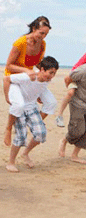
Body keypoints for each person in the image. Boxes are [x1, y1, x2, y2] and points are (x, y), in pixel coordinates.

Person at [3, 16, 56, 146]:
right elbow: (8, 65)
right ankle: (9, 128)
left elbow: (38, 64)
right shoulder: (20, 43)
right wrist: (26, 71)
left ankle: (34, 121)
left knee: (51, 102)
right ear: (34, 28)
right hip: (14, 78)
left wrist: (40, 87)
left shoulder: (42, 44)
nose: (43, 36)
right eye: (41, 33)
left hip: (29, 77)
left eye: (46, 34)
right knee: (19, 105)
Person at [3, 56, 59, 172]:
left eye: (54, 73)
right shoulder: (30, 76)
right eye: (50, 72)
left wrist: (38, 96)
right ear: (42, 69)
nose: (52, 76)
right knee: (21, 135)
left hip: (31, 107)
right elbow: (6, 79)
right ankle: (11, 162)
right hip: (20, 107)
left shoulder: (46, 80)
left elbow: (38, 89)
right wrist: (8, 97)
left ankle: (25, 153)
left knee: (41, 133)